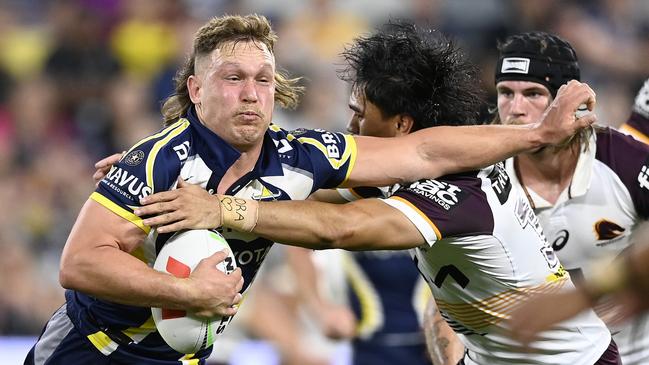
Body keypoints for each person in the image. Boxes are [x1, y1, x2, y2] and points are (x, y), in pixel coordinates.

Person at [33, 13, 593, 364]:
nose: (252, 94)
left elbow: (407, 164)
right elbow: (78, 264)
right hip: (94, 352)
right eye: (234, 79)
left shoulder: (302, 157)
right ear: (196, 89)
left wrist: (536, 134)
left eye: (263, 80)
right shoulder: (160, 162)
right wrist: (189, 294)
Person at [424, 32, 649, 365]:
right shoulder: (475, 182)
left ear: (570, 101)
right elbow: (445, 300)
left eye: (533, 93)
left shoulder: (627, 163)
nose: (516, 109)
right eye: (505, 93)